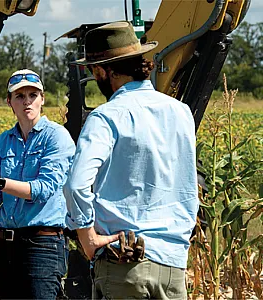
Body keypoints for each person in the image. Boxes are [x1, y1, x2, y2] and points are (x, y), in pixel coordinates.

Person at [63, 21, 199, 299]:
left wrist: (87, 239)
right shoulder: (182, 112)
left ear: (103, 71)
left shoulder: (107, 116)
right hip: (173, 265)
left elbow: (76, 185)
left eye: (93, 70)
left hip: (123, 261)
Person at [0, 69, 76, 299]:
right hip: (6, 244)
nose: (27, 101)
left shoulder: (56, 137)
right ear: (9, 102)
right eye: (20, 96)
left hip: (42, 243)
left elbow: (43, 189)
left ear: (43, 99)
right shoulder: (4, 141)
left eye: (33, 95)